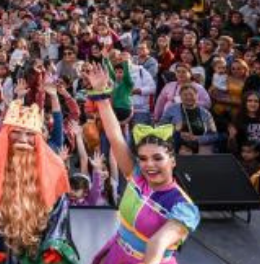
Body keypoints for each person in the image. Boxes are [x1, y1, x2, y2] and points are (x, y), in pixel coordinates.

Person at [86, 64, 200, 264]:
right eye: (143, 159)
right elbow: (115, 137)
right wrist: (102, 96)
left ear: (172, 160)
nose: (149, 165)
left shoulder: (182, 206)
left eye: (157, 158)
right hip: (116, 255)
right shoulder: (137, 176)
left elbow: (157, 243)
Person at [0, 98, 78, 264]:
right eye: (16, 132)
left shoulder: (53, 170)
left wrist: (53, 248)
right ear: (5, 134)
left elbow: (59, 218)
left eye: (30, 134)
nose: (23, 139)